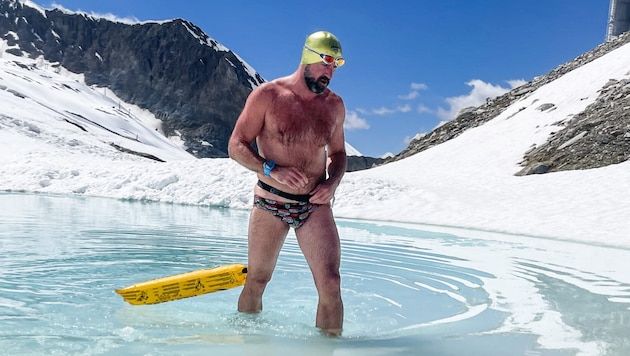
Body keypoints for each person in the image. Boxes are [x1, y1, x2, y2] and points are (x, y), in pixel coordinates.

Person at [227, 30, 347, 335]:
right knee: (257, 279)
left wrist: (332, 182)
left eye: (336, 66)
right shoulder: (268, 95)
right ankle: (247, 343)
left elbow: (338, 153)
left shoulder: (334, 106)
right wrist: (271, 168)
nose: (329, 73)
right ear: (308, 56)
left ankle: (328, 349)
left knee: (331, 285)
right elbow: (237, 145)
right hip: (270, 200)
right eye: (326, 63)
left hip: (314, 206)